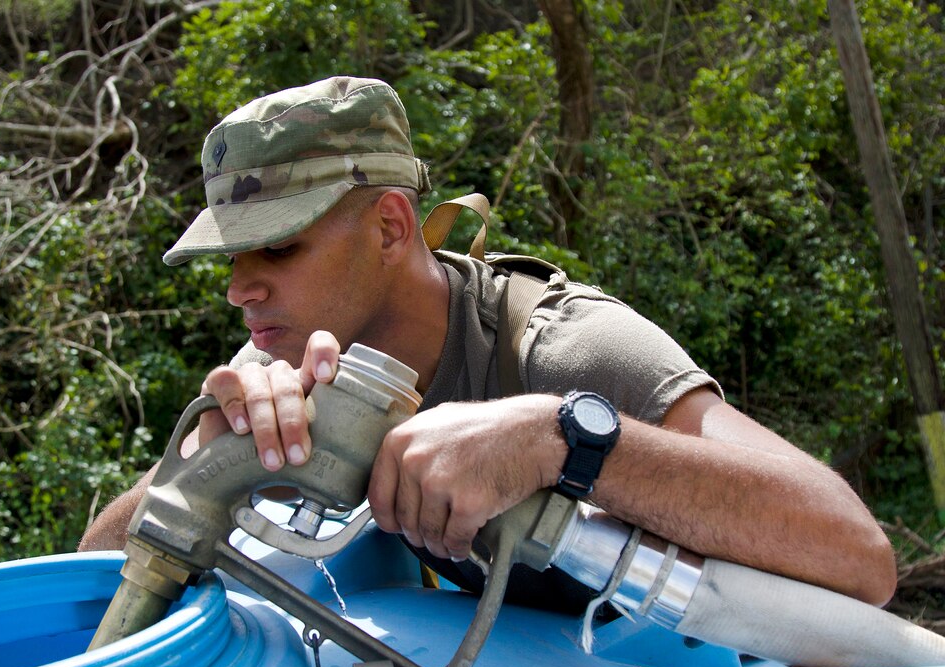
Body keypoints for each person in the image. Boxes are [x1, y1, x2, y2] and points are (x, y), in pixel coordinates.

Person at [78, 76, 896, 608]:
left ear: (391, 226)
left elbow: (861, 558)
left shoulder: (564, 350)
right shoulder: (283, 366)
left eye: (279, 247)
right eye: (231, 257)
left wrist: (558, 441)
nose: (238, 288)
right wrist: (207, 462)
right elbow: (84, 577)